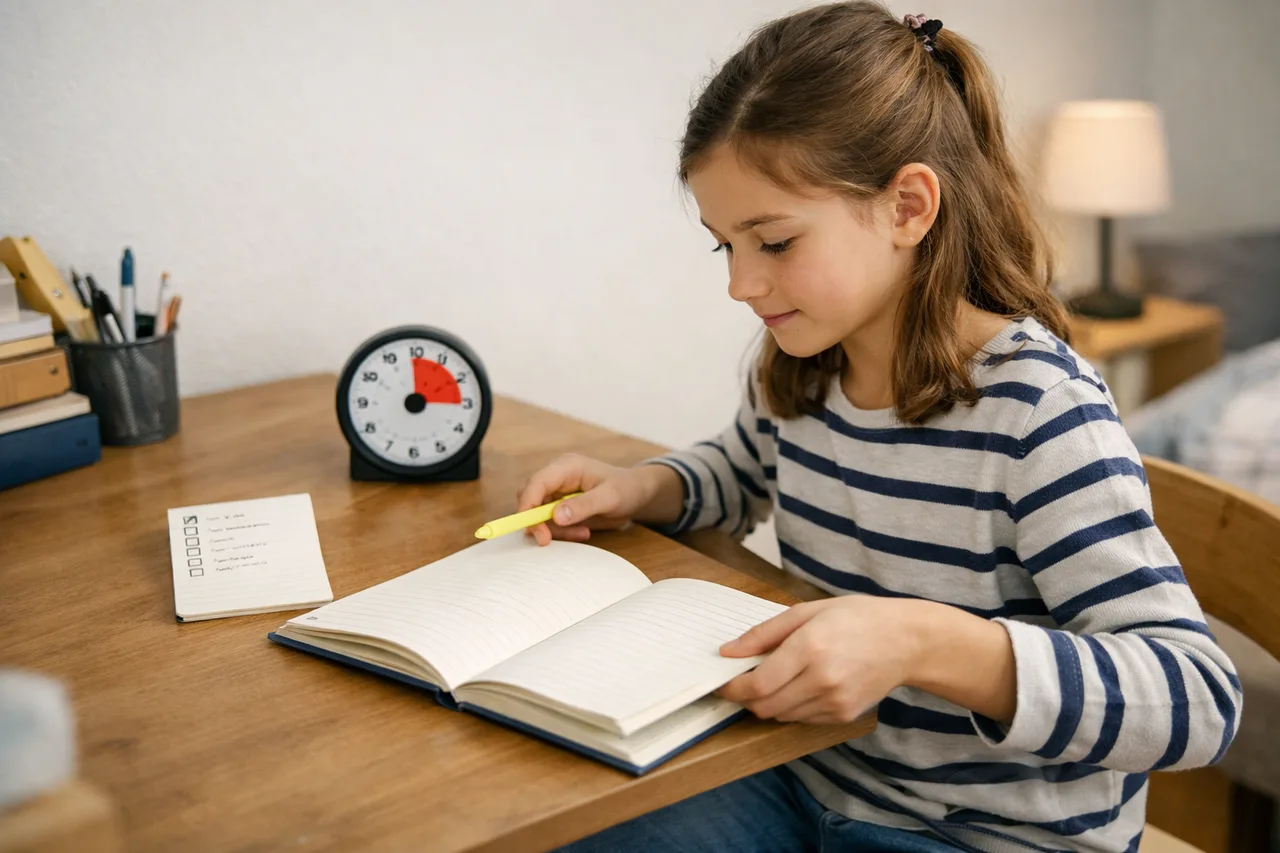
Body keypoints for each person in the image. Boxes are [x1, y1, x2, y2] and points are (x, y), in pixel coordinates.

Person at [518, 3, 1241, 851]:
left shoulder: (1039, 412)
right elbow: (746, 468)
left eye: (776, 241)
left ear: (907, 207)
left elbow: (1197, 699)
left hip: (986, 836)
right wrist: (640, 485)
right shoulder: (806, 363)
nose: (741, 285)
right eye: (726, 248)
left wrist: (923, 641)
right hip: (803, 779)